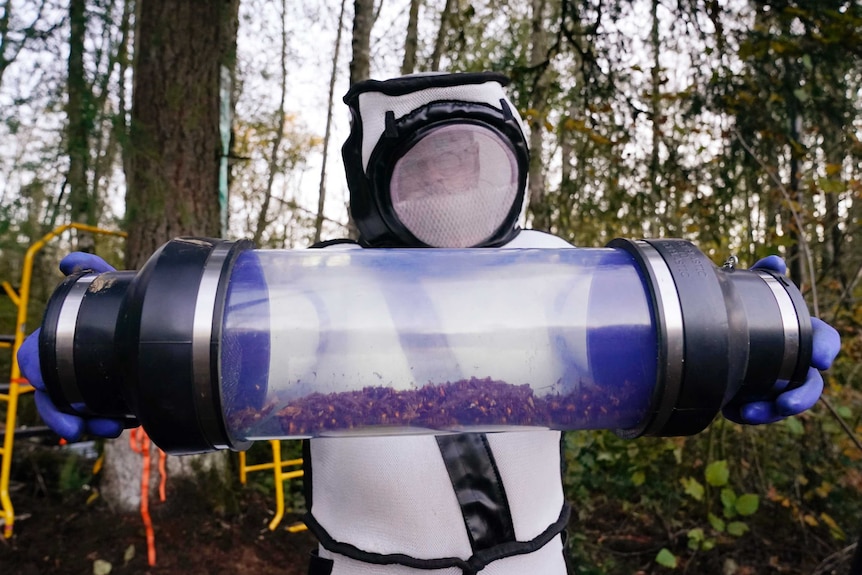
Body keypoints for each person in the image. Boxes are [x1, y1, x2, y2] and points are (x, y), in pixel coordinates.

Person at [19, 72, 841, 575]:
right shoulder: (309, 286)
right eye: (427, 164)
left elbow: (664, 350)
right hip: (369, 569)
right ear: (376, 174)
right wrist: (120, 348)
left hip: (530, 564)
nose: (449, 184)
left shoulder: (570, 273)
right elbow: (208, 358)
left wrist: (738, 341)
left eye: (467, 161)